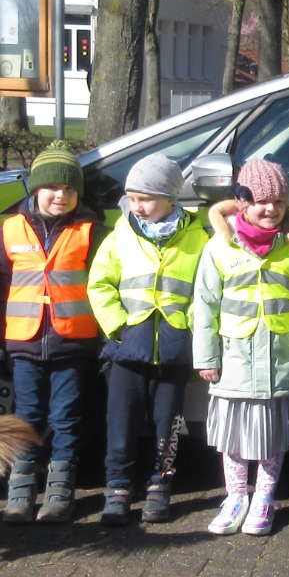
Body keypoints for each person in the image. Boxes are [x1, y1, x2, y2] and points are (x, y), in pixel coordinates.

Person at [0, 144, 106, 524]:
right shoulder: (10, 228)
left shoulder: (91, 230)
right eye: (51, 188)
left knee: (67, 417)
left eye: (68, 190)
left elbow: (102, 286)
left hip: (73, 341)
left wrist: (102, 340)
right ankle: (19, 490)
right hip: (25, 342)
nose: (60, 196)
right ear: (35, 189)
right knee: (27, 415)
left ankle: (60, 491)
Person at [88, 153, 210, 527]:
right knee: (121, 422)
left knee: (168, 425)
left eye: (146, 199)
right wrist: (117, 326)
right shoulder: (120, 234)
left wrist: (187, 328)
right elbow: (100, 283)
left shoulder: (197, 237)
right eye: (132, 198)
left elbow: (202, 292)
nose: (137, 206)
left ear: (170, 198)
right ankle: (119, 487)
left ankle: (160, 484)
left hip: (174, 350)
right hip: (129, 348)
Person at [192, 160, 289, 537]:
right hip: (234, 361)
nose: (271, 209)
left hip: (280, 362)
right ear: (240, 202)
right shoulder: (219, 247)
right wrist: (206, 357)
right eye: (261, 201)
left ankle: (264, 496)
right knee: (233, 436)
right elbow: (205, 305)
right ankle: (235, 495)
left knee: (273, 435)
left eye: (279, 201)